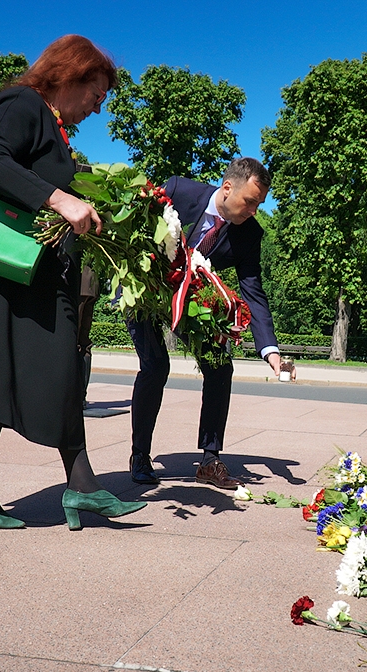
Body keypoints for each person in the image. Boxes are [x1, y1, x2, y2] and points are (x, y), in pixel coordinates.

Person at [0, 35, 144, 530]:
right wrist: (61, 199)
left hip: (31, 275)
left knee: (61, 370)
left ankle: (79, 485)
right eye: (96, 95)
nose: (98, 108)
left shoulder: (54, 128)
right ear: (69, 76)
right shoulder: (21, 102)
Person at [126, 158, 285, 490]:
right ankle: (140, 455)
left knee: (220, 366)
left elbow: (253, 291)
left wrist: (269, 349)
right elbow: (133, 230)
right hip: (145, 290)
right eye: (251, 201)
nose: (254, 211)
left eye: (259, 204)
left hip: (191, 303)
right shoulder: (177, 191)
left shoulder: (249, 234)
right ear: (228, 188)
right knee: (156, 367)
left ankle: (210, 459)